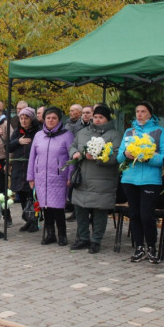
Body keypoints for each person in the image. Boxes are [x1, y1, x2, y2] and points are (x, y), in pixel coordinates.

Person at [117, 101, 164, 263]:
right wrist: (126, 153)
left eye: (143, 111)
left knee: (147, 215)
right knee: (134, 215)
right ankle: (139, 247)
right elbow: (119, 157)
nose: (140, 114)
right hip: (129, 179)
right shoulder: (128, 132)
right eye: (137, 111)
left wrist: (149, 158)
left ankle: (152, 247)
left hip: (150, 180)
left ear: (150, 114)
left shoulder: (159, 131)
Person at [69, 104, 122, 254]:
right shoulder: (83, 132)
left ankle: (96, 240)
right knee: (80, 209)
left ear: (107, 119)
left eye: (101, 117)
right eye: (96, 117)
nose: (97, 120)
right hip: (83, 178)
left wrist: (98, 157)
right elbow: (72, 146)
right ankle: (83, 238)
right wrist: (74, 153)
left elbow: (116, 156)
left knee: (99, 211)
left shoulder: (114, 135)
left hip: (102, 180)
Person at [27, 106, 74, 245]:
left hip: (59, 177)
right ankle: (50, 234)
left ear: (59, 120)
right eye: (48, 118)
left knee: (58, 208)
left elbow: (72, 158)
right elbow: (32, 157)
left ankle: (62, 235)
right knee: (45, 207)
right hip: (41, 177)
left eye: (54, 118)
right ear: (44, 119)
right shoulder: (38, 135)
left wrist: (70, 175)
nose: (51, 120)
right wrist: (31, 177)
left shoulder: (67, 135)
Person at [10, 107, 40, 233]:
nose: (23, 120)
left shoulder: (37, 132)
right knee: (22, 195)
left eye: (26, 118)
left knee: (32, 196)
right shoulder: (17, 132)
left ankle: (35, 221)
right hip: (18, 169)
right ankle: (27, 220)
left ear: (31, 119)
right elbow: (8, 147)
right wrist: (18, 141)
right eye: (21, 118)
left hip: (31, 168)